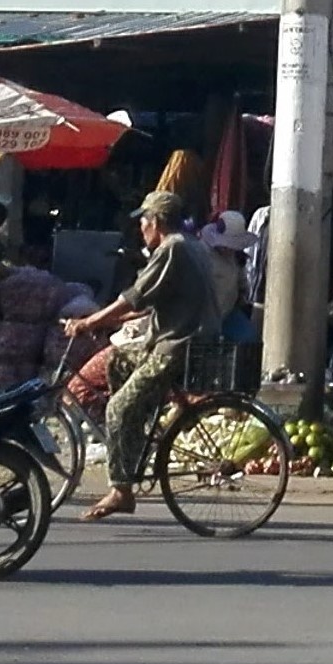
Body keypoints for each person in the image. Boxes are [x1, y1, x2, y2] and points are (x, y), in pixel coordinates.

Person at [67, 192, 228, 521]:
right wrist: (106, 320)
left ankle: (121, 490)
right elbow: (152, 303)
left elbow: (134, 298)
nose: (141, 228)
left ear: (156, 222)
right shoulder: (191, 245)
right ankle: (135, 436)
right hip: (174, 339)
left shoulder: (173, 248)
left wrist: (88, 321)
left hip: (176, 347)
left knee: (118, 406)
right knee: (117, 361)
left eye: (143, 221)